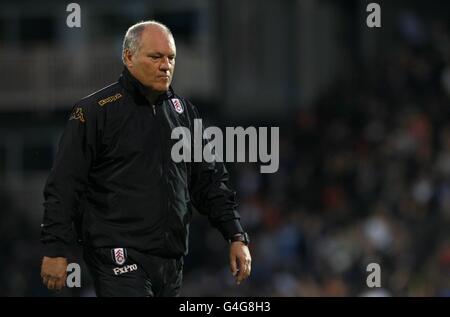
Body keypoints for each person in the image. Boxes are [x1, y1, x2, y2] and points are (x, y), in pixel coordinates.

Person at [40, 20, 251, 297]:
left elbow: (210, 182)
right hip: (117, 254)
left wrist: (235, 235)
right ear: (128, 57)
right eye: (156, 57)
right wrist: (56, 248)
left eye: (171, 57)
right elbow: (64, 185)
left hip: (170, 259)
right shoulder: (93, 113)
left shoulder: (185, 114)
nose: (166, 65)